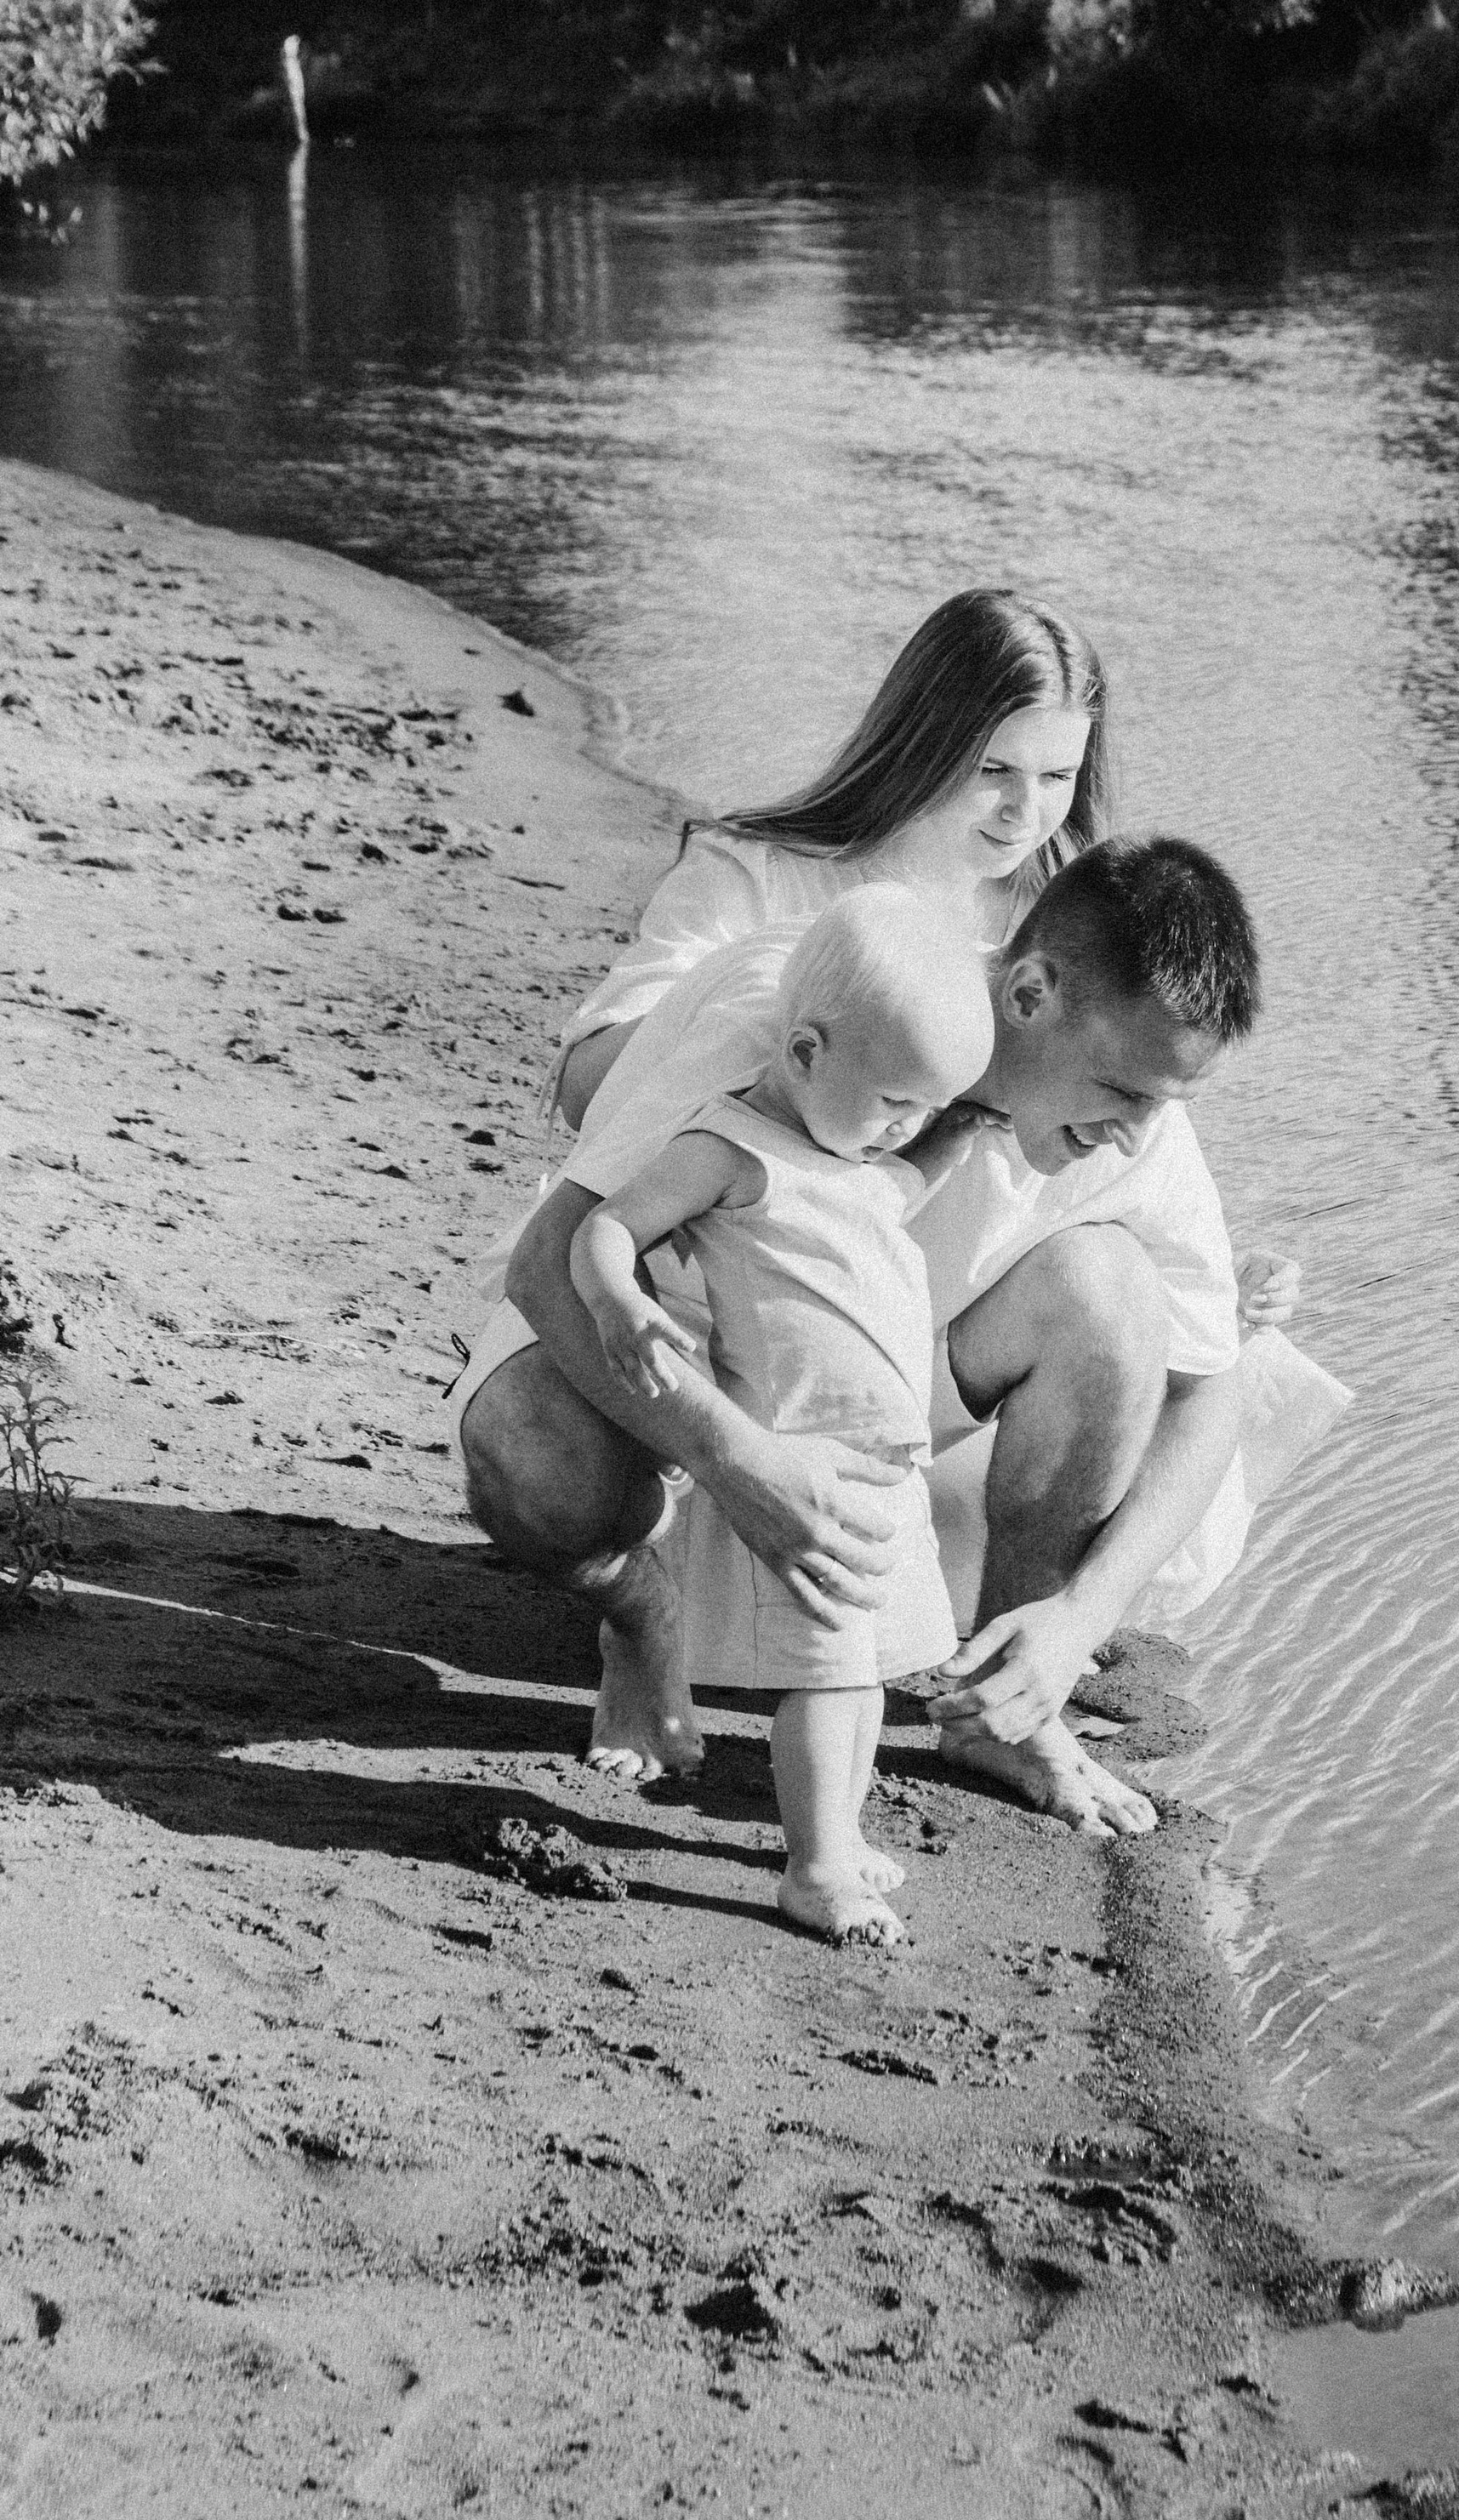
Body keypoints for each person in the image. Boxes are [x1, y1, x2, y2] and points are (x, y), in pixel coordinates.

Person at [459, 839, 1265, 1837]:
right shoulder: (811, 1007)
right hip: (665, 1397)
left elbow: (1210, 1394)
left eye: (1166, 1101)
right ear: (1029, 994)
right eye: (1126, 1092)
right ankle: (641, 1616)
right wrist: (732, 1454)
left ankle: (1006, 1701)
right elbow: (554, 1262)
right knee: (528, 1445)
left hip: (866, 1428)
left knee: (1110, 1292)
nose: (1139, 1132)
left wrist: (1078, 1623)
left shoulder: (1138, 1130)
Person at [567, 886, 992, 1946]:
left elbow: (897, 1191)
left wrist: (963, 1129)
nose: (911, 1126)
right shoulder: (731, 1147)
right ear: (803, 1052)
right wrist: (620, 1301)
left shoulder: (855, 1159)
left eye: (926, 1110)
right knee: (824, 1677)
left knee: (864, 1677)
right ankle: (812, 1867)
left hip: (878, 1469)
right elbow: (606, 1229)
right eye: (897, 1100)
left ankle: (838, 1837)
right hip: (795, 1462)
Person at [552, 588, 1112, 1129]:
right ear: (921, 745)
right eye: (994, 771)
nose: (1025, 812)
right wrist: (794, 996)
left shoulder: (1061, 930)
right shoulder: (755, 875)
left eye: (1058, 777)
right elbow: (583, 1093)